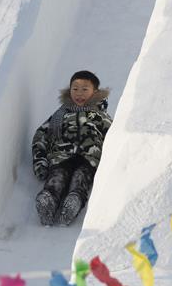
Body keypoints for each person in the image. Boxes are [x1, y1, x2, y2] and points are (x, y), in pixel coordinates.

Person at [32, 70, 113, 226]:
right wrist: (40, 161)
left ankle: (73, 202)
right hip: (61, 155)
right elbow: (41, 136)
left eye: (84, 89)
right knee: (58, 176)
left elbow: (113, 138)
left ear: (95, 92)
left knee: (81, 177)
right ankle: (48, 200)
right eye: (75, 89)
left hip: (88, 157)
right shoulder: (59, 115)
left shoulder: (101, 116)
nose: (79, 93)